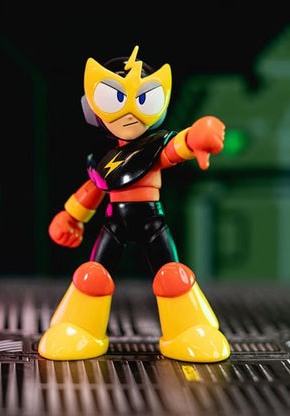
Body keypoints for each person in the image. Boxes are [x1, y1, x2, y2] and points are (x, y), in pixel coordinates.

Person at [38, 46, 230, 362]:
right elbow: (94, 188)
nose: (130, 112)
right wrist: (71, 217)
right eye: (115, 97)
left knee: (172, 275)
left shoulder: (153, 146)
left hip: (152, 221)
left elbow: (174, 149)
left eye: (143, 98)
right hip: (115, 221)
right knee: (93, 275)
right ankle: (79, 328)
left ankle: (189, 331)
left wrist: (194, 138)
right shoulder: (102, 161)